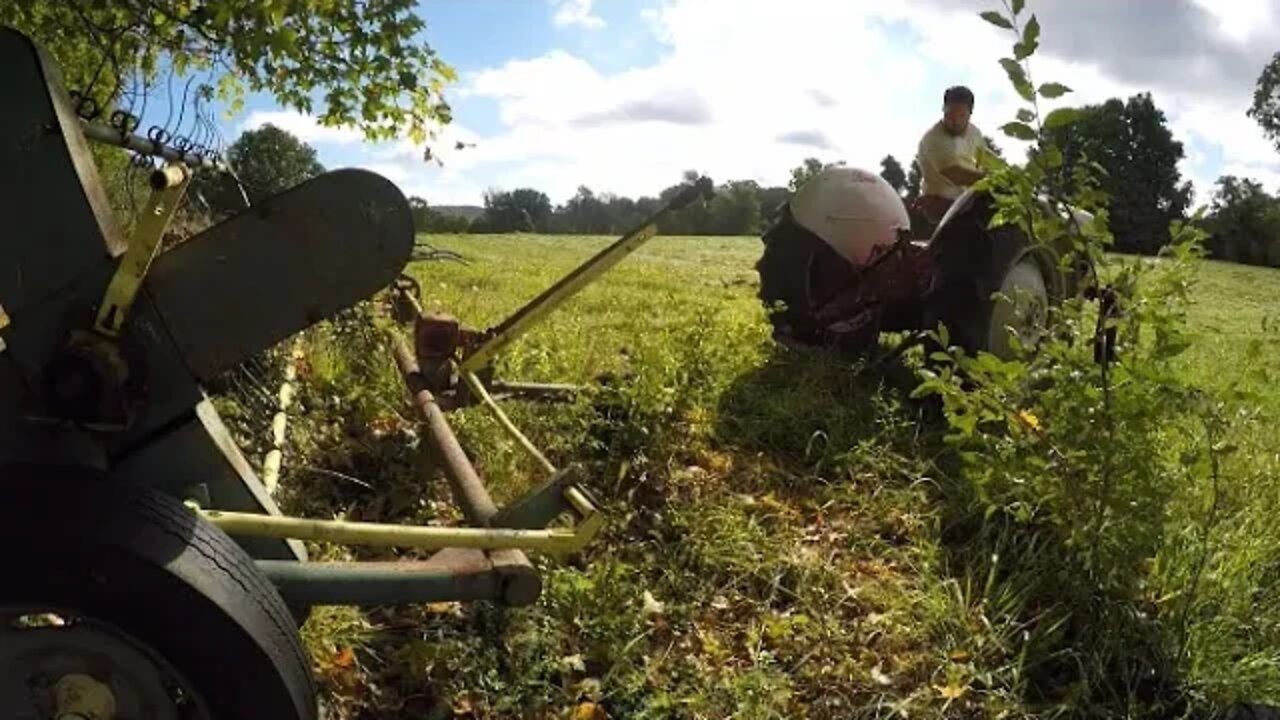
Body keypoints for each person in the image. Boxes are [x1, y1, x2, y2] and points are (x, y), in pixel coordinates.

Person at [913, 85, 989, 226]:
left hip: (967, 199)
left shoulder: (975, 134)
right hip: (939, 202)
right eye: (950, 114)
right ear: (943, 109)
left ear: (970, 113)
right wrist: (990, 181)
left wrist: (1008, 177)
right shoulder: (933, 138)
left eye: (961, 115)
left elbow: (988, 161)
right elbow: (954, 174)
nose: (955, 121)